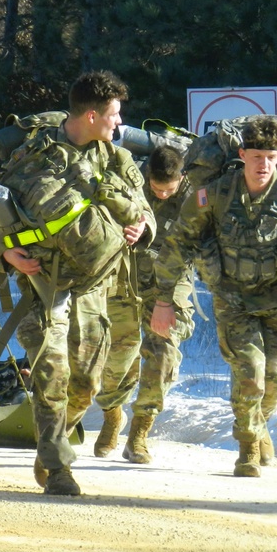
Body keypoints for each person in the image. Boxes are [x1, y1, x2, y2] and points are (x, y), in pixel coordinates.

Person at [151, 118, 277, 477]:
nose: (263, 164)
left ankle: (259, 426)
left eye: (271, 157)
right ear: (243, 154)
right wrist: (165, 300)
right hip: (233, 299)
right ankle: (247, 447)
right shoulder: (214, 194)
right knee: (251, 375)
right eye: (257, 156)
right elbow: (178, 243)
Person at [0, 70, 154, 496]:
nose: (119, 123)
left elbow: (144, 209)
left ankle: (51, 444)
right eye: (114, 115)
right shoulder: (33, 157)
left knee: (84, 386)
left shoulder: (116, 159)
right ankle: (58, 468)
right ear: (90, 115)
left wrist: (144, 229)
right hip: (43, 288)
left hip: (93, 289)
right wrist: (5, 252)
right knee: (51, 376)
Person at [87, 144, 196, 463]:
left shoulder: (195, 198)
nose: (162, 195)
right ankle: (111, 414)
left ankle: (139, 434)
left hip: (171, 279)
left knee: (163, 353)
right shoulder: (129, 184)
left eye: (169, 189)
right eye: (156, 188)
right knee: (115, 354)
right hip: (125, 273)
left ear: (182, 177)